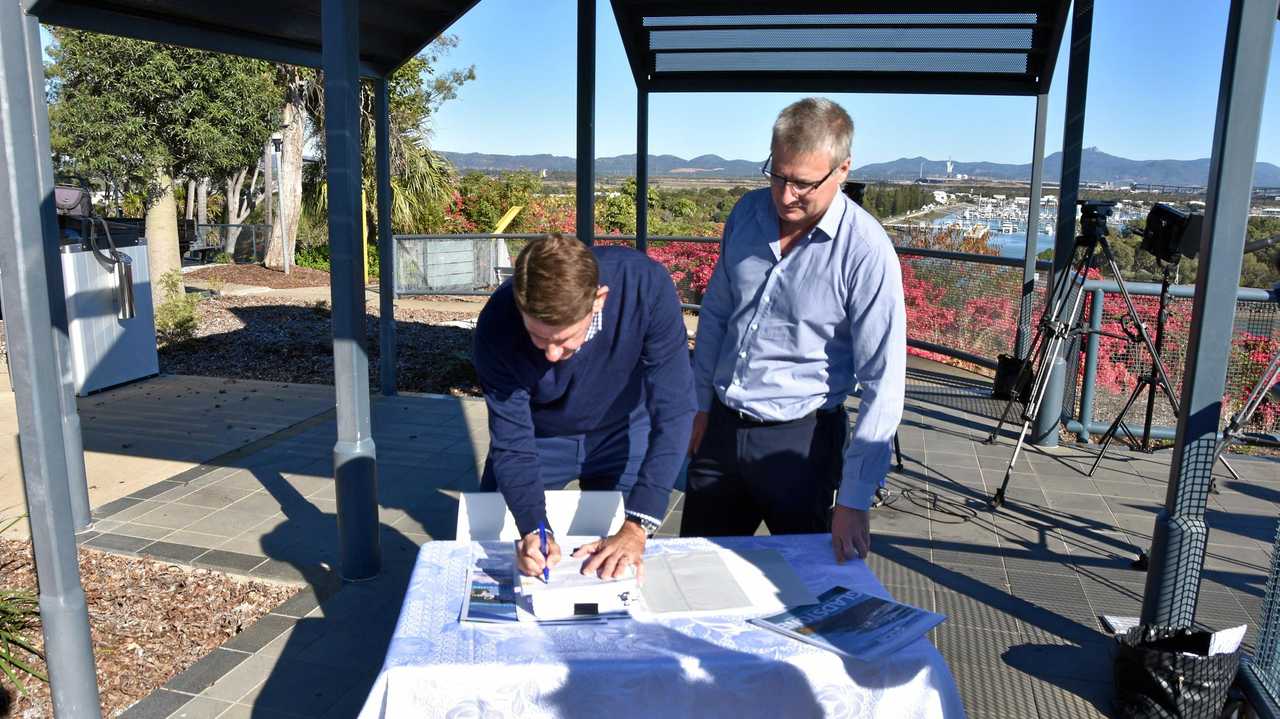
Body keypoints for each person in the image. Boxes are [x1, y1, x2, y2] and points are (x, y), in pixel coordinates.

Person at [683, 97, 906, 563]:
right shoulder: (746, 214)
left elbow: (884, 382)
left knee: (808, 594)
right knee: (698, 576)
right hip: (721, 430)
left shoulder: (865, 252)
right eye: (777, 175)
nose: (785, 196)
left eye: (803, 184)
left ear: (843, 170)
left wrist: (854, 498)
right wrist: (699, 404)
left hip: (801, 446)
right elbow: (718, 316)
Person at [473, 233, 694, 579]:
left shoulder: (645, 286)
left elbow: (675, 408)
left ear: (599, 300)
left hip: (623, 426)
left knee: (621, 567)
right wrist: (535, 529)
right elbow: (511, 441)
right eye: (538, 337)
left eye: (562, 339)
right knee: (493, 548)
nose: (551, 355)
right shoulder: (497, 322)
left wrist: (638, 525)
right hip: (539, 435)